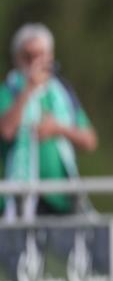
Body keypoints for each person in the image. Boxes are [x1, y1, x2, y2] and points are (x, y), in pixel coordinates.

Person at [0, 23, 97, 219]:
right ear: (18, 59)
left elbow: (90, 140)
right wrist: (28, 89)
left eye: (40, 55)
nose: (35, 62)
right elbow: (6, 130)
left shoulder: (62, 93)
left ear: (50, 57)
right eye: (29, 56)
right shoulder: (9, 91)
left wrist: (58, 129)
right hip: (21, 198)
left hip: (63, 197)